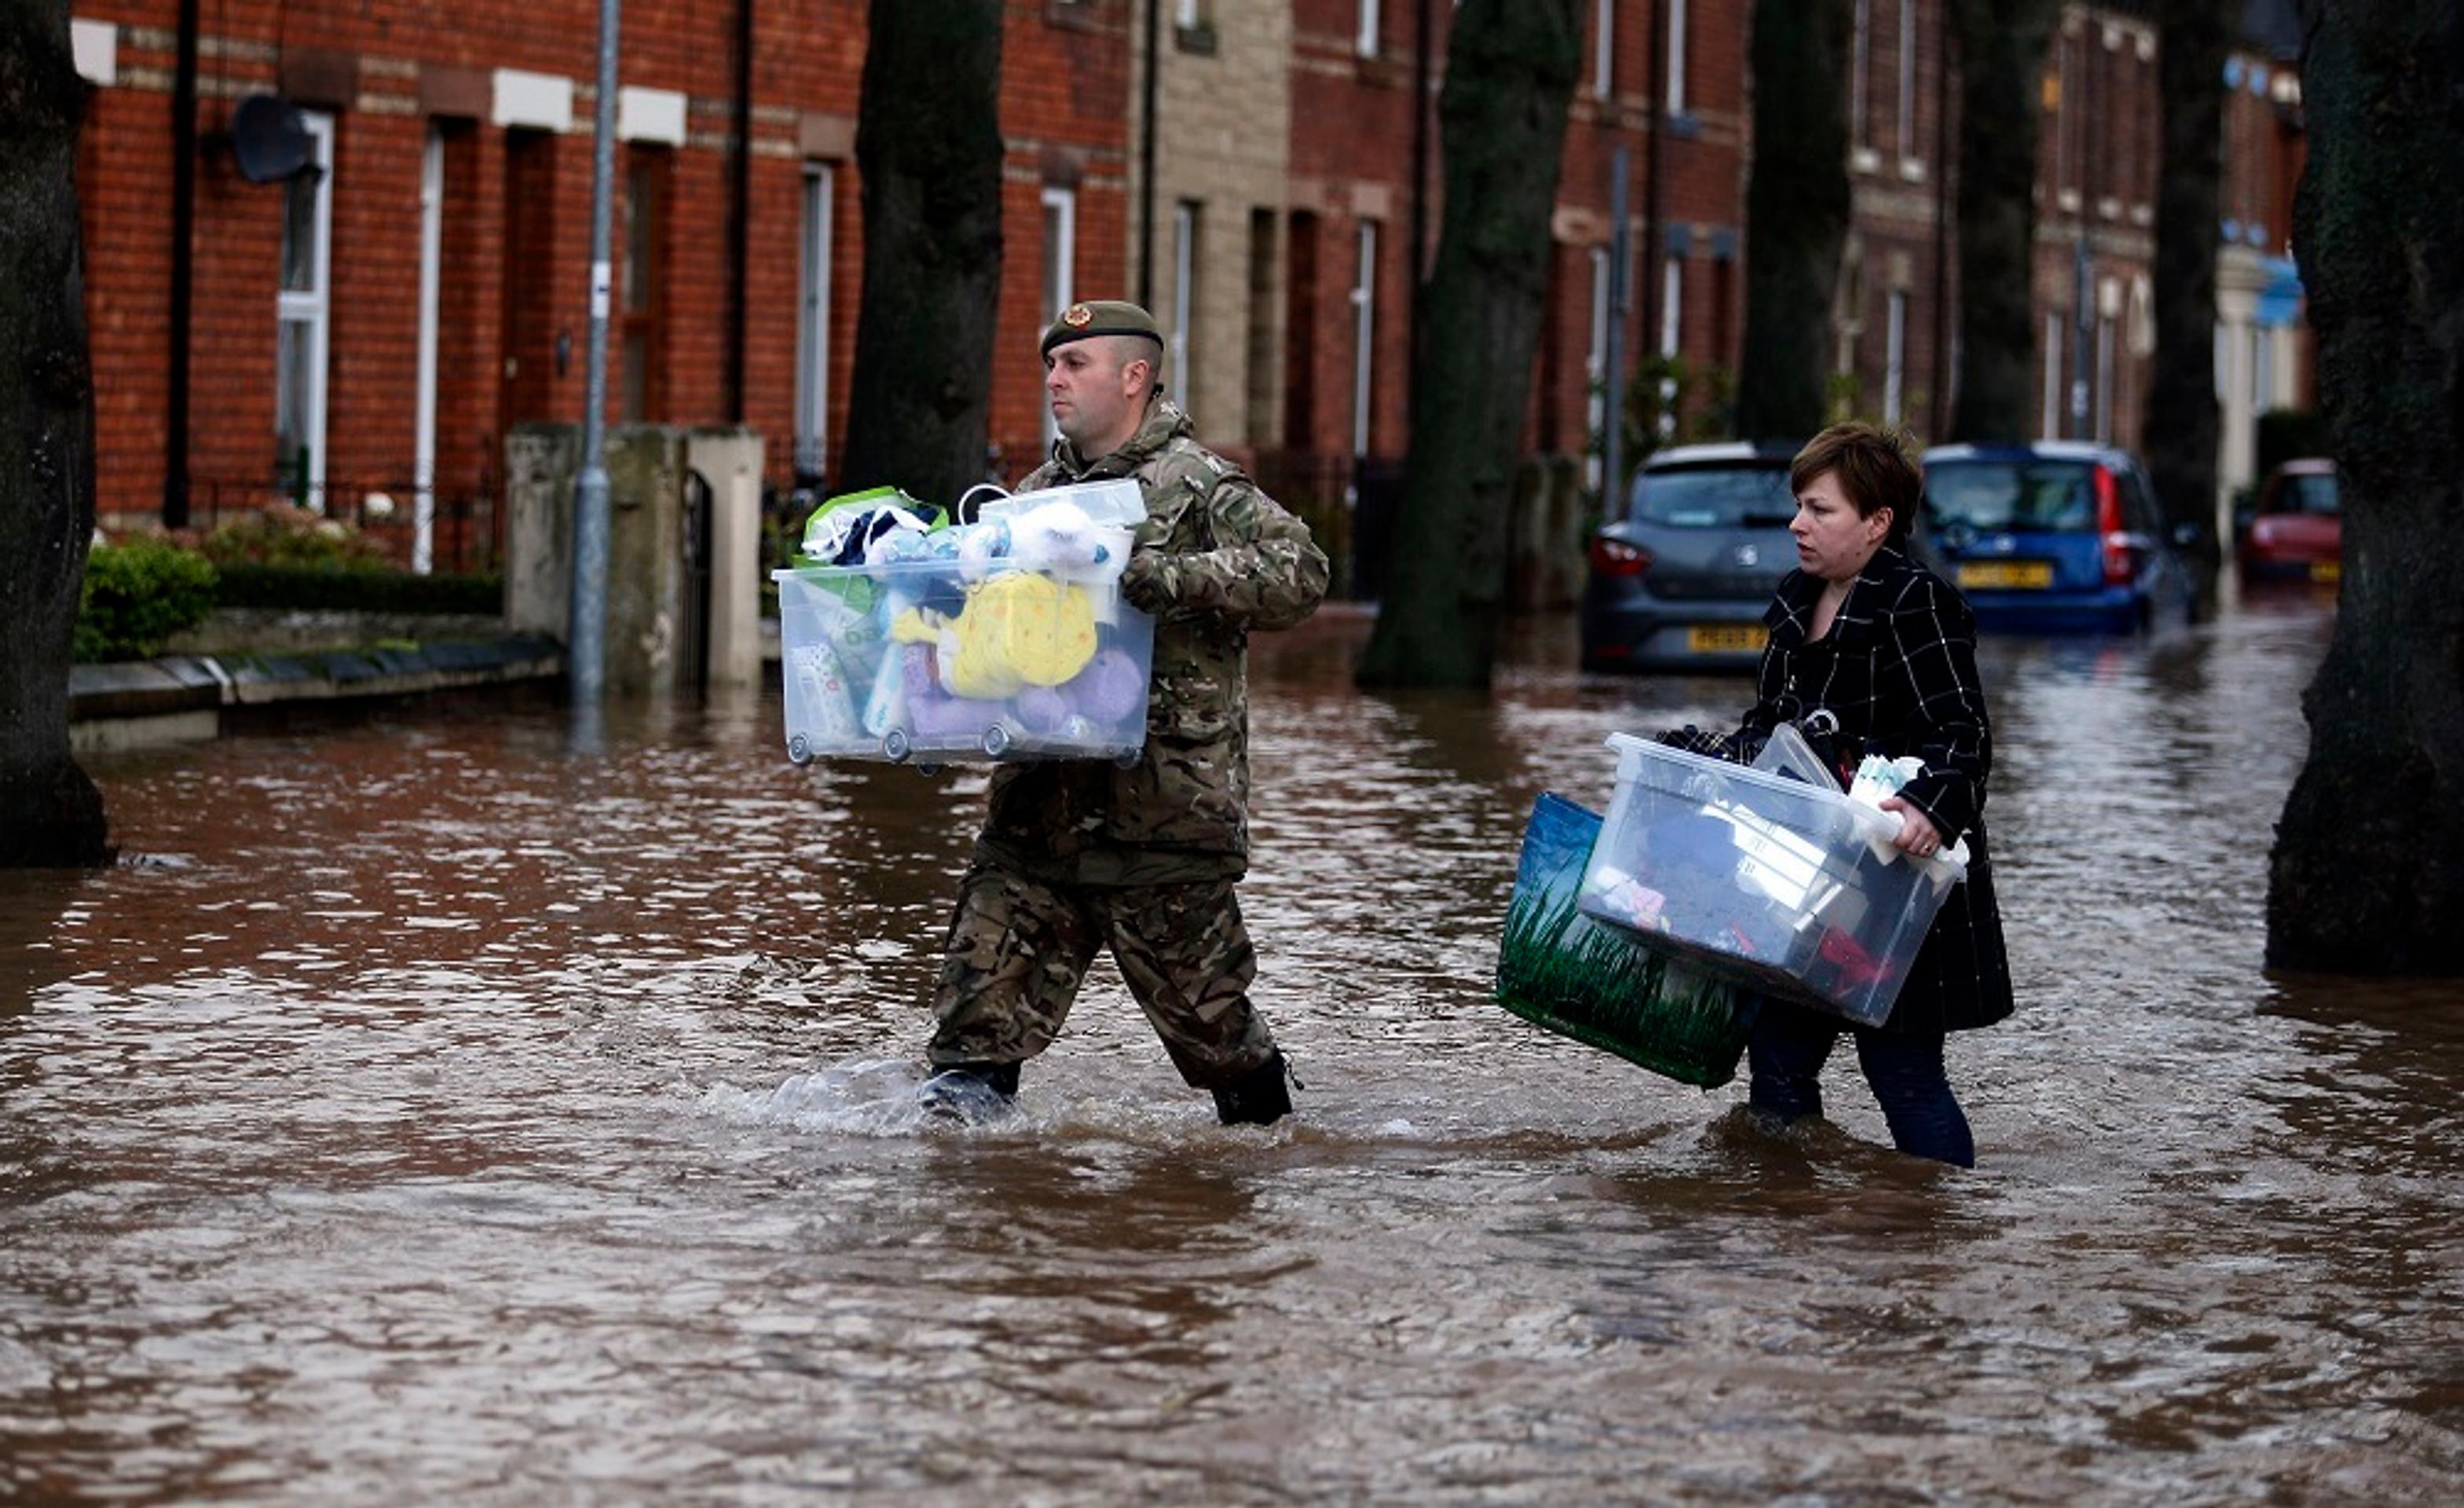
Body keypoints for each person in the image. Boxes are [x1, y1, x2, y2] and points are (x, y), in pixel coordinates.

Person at [922, 301, 1331, 1126]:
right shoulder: (1032, 498)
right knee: (971, 1040)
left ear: (1133, 377)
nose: (1054, 381)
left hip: (1164, 821)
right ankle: (965, 1216)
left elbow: (1302, 573)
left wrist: (1169, 577)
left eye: (1075, 365)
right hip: (1035, 821)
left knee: (1221, 1046)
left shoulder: (1198, 486)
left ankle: (1270, 1163)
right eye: (1050, 366)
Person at [1667, 422, 2012, 1166]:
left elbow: (1964, 734)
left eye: (1819, 509)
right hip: (1804, 886)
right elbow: (1770, 731)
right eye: (1799, 505)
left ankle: (1933, 1234)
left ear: (1877, 523)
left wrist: (1929, 806)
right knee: (1779, 1065)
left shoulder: (1917, 603)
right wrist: (1699, 760)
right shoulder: (1796, 599)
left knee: (1903, 1075)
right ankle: (1789, 1225)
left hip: (1900, 891)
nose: (1797, 524)